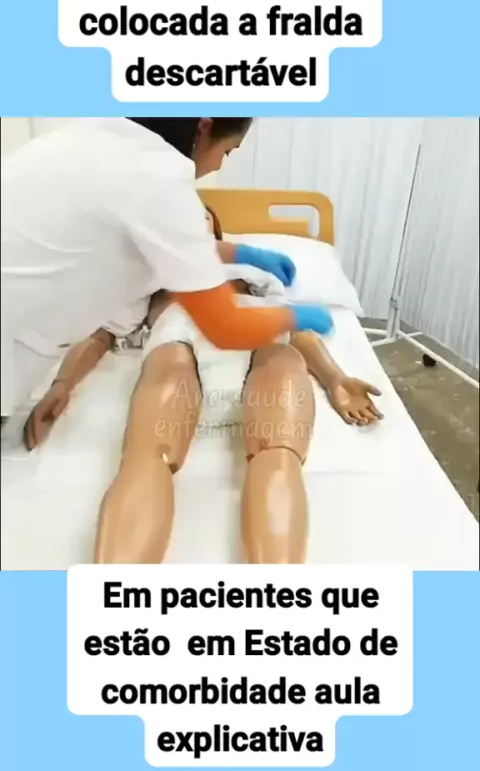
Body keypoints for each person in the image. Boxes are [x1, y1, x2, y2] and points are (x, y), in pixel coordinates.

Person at [25, 207, 383, 564]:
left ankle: (279, 587)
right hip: (180, 334)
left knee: (278, 448)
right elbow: (101, 335)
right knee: (148, 455)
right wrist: (62, 384)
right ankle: (115, 588)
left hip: (256, 328)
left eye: (203, 215)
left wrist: (336, 379)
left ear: (216, 230)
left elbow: (294, 328)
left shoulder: (251, 272)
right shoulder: (151, 270)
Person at [1, 117, 333, 424]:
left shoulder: (87, 138)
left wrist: (243, 253)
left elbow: (184, 251)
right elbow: (227, 326)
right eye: (228, 152)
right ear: (204, 128)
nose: (219, 164)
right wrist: (296, 316)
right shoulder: (160, 180)